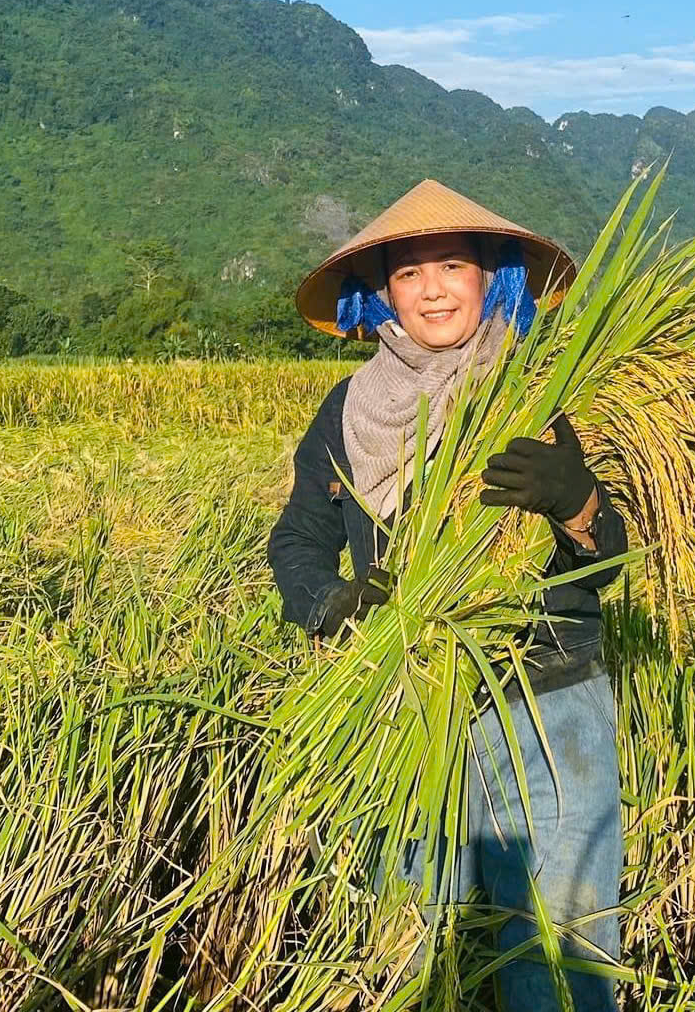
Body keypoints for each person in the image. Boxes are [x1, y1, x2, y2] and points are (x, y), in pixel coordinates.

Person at [267, 178, 628, 1011]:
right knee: (406, 942)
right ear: (382, 292)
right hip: (404, 699)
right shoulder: (351, 410)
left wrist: (576, 501)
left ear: (491, 278)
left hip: (545, 704)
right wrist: (330, 601)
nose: (431, 288)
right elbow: (298, 537)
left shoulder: (549, 388)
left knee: (559, 951)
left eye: (453, 266)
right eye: (408, 273)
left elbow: (612, 550)